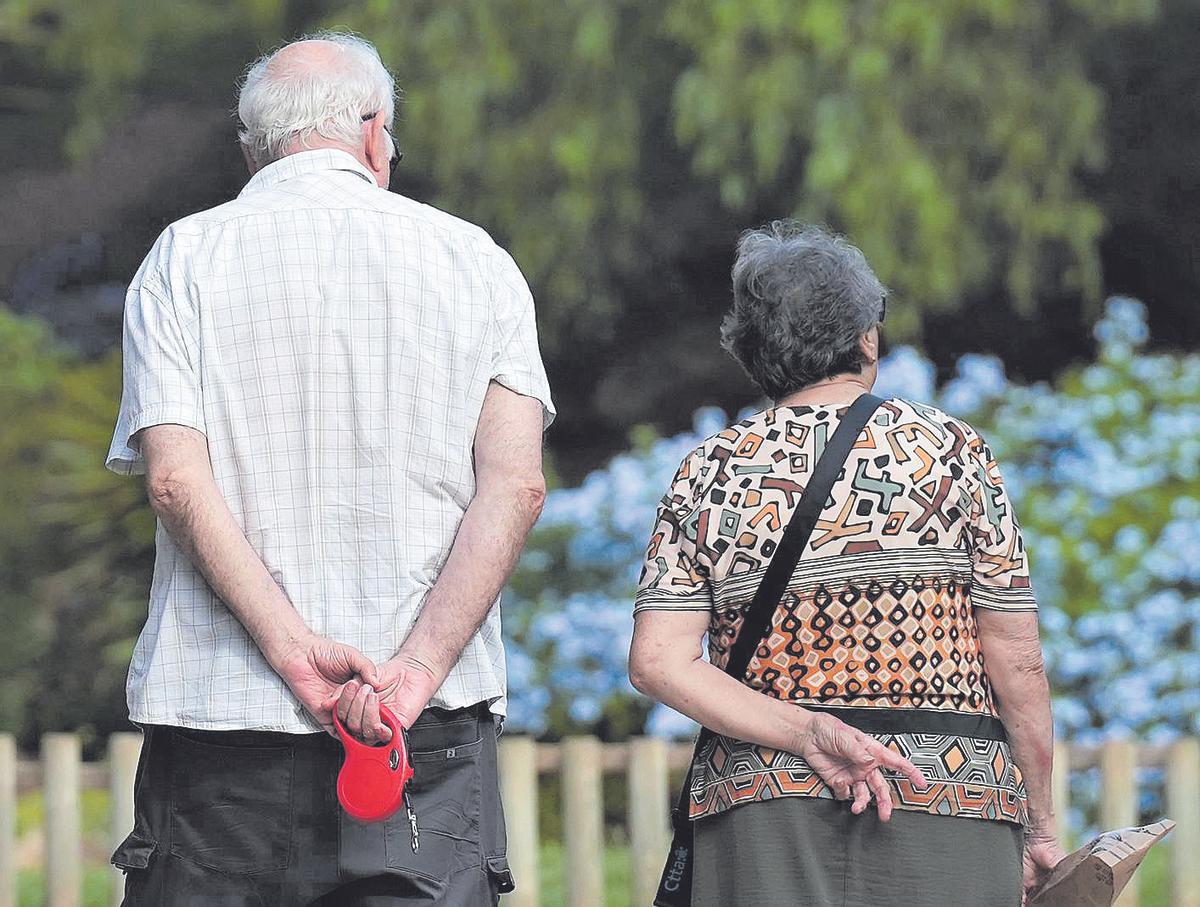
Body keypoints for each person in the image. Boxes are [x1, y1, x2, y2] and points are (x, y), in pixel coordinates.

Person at [103, 32, 554, 905]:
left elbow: (174, 480)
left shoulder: (182, 258)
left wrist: (293, 651)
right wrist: (415, 671)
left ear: (251, 151)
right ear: (376, 133)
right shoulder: (478, 262)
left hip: (223, 725)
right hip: (421, 735)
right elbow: (517, 485)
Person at [628, 222, 1066, 906]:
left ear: (752, 352)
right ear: (867, 338)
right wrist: (1040, 823)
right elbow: (1017, 658)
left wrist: (806, 729)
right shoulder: (952, 453)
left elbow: (658, 661)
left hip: (765, 812)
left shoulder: (709, 471)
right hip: (948, 803)